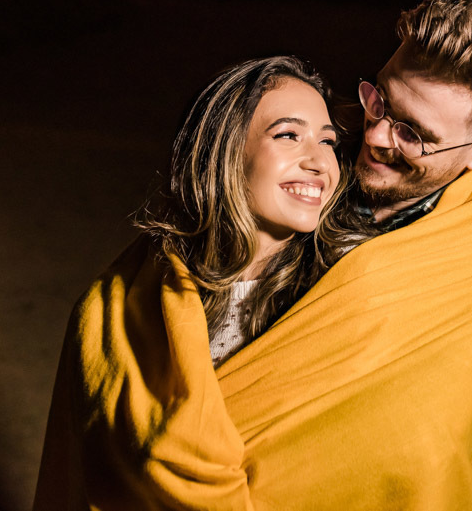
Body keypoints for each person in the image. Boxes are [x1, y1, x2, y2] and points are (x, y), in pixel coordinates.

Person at [35, 0, 472, 510]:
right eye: (380, 99)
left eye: (413, 134)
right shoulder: (315, 155)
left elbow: (417, 435)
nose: (376, 136)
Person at [33, 55, 367, 509]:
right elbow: (86, 474)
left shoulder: (343, 290)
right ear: (226, 150)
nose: (318, 161)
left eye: (328, 142)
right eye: (288, 135)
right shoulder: (118, 305)